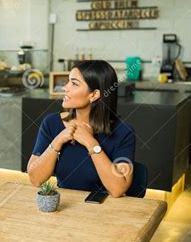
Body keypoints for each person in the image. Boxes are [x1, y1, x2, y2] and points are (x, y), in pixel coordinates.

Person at [28, 60, 135, 197]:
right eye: (68, 82)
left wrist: (91, 143)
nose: (64, 88)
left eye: (74, 83)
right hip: (65, 207)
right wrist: (58, 140)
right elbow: (35, 179)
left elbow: (118, 189)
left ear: (94, 95)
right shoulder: (52, 123)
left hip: (105, 210)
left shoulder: (124, 132)